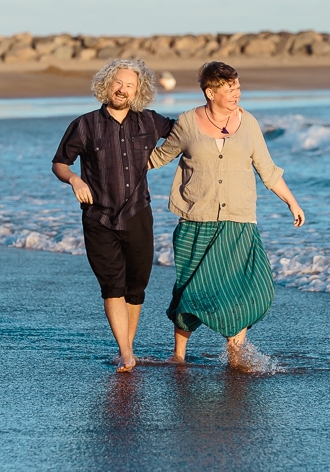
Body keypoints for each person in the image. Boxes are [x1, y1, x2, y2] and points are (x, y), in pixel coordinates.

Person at [149, 61, 305, 369]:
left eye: (237, 87)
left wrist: (292, 202)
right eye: (229, 88)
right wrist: (114, 170)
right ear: (210, 92)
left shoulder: (248, 123)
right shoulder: (187, 123)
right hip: (196, 221)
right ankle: (178, 355)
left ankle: (236, 352)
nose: (236, 93)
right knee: (190, 288)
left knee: (247, 287)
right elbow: (158, 157)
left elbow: (268, 170)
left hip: (239, 222)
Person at [52, 59, 175, 373]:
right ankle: (125, 352)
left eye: (129, 85)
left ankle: (128, 347)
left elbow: (186, 132)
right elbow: (60, 163)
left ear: (138, 90)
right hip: (98, 217)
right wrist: (75, 180)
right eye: (118, 83)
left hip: (138, 214)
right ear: (107, 85)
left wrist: (223, 116)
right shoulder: (84, 124)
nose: (122, 89)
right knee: (112, 286)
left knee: (135, 288)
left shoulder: (149, 121)